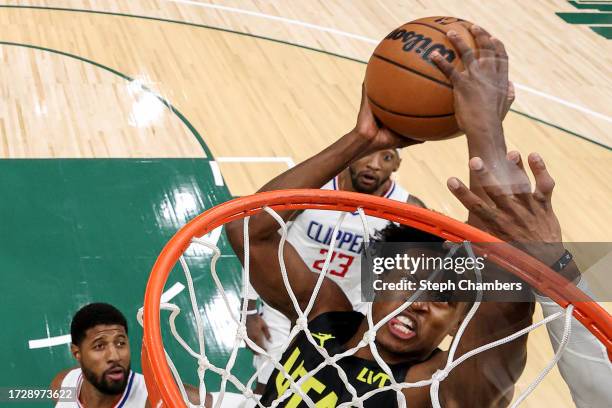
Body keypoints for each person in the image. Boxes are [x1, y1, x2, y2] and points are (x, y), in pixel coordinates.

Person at [226, 25, 587, 407]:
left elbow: (504, 294)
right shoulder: (327, 315)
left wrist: (484, 126)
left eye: (444, 297)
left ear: (457, 323)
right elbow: (249, 229)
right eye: (407, 281)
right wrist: (360, 140)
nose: (418, 301)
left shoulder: (433, 387)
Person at [246, 147, 426, 393]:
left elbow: (422, 269)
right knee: (267, 386)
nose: (374, 164)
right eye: (367, 154)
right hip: (286, 302)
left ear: (397, 165)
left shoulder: (407, 209)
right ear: (350, 155)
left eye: (386, 158)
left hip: (350, 314)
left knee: (325, 389)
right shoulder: (313, 189)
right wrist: (248, 310)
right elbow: (260, 243)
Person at [50, 303, 205, 407]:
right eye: (99, 346)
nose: (115, 356)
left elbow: (220, 401)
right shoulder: (63, 384)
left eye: (120, 343)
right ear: (77, 353)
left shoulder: (153, 399)